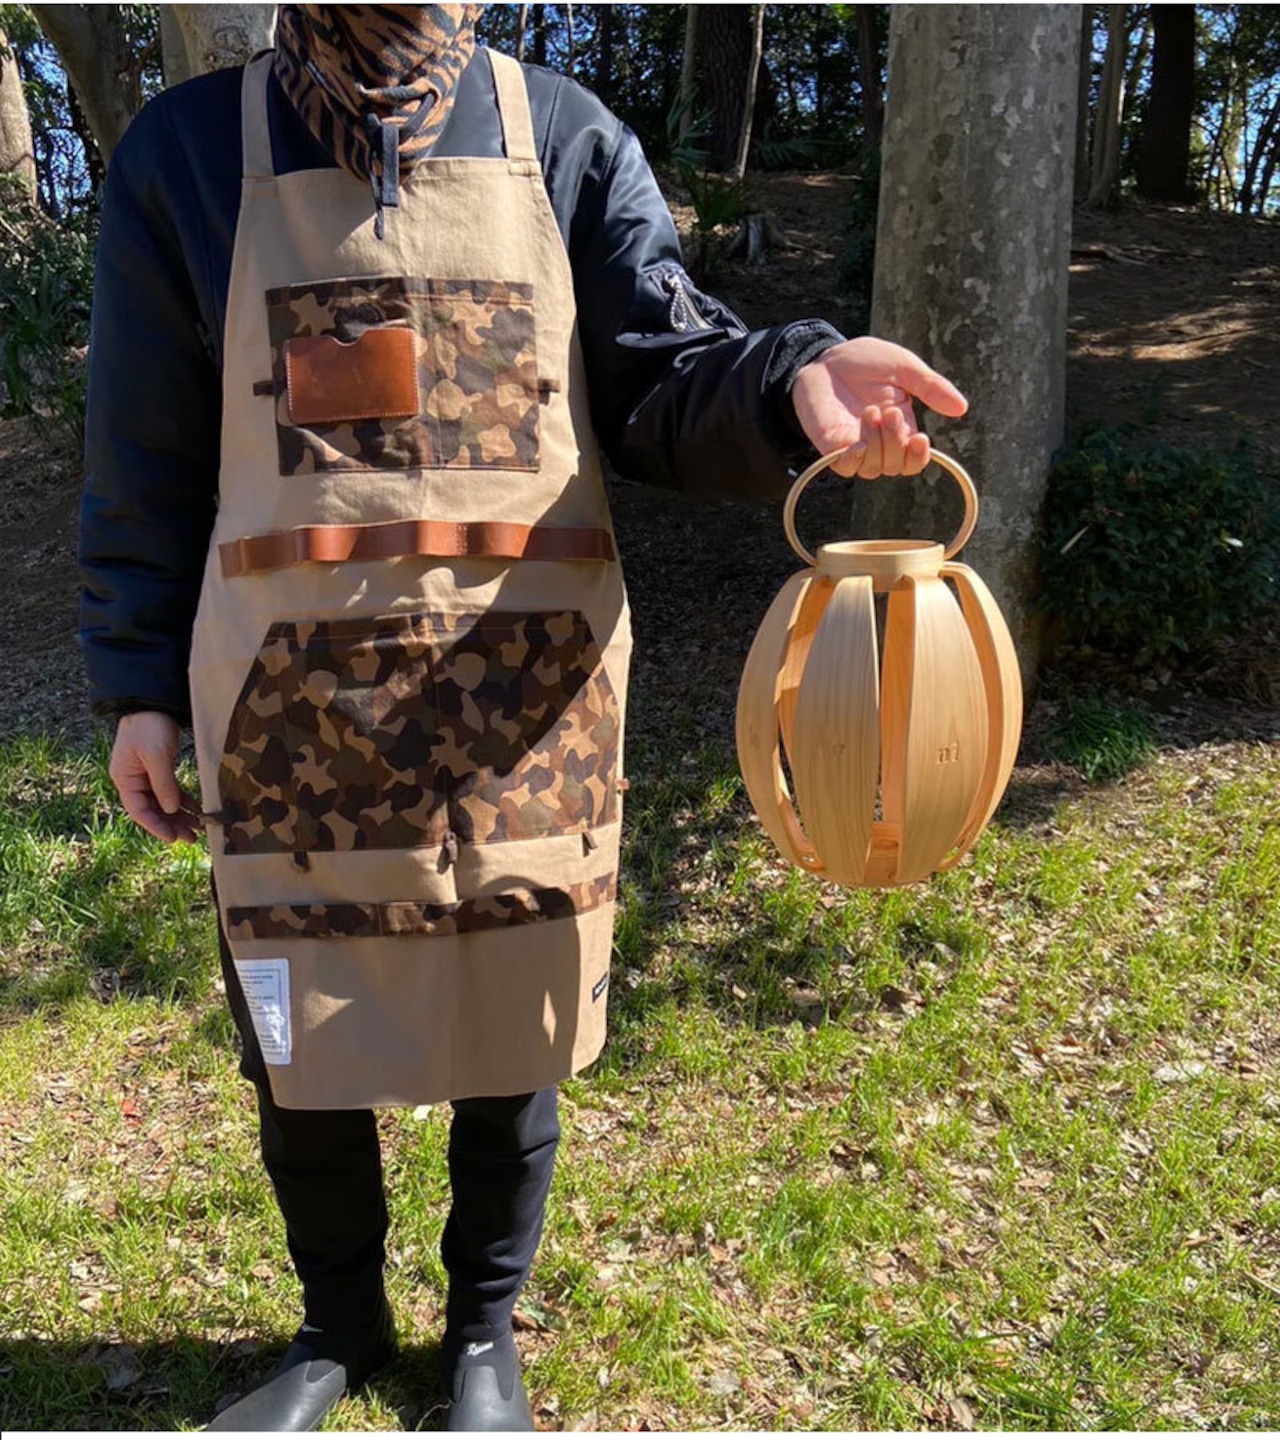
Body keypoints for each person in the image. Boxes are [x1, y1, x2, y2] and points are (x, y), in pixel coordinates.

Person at [78, 5, 967, 1431]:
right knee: (299, 1026)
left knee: (522, 1000)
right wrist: (133, 683)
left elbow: (665, 375)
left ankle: (484, 1330)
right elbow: (142, 444)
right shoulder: (183, 154)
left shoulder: (559, 136)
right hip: (288, 699)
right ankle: (339, 1327)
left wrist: (791, 379)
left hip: (525, 691)